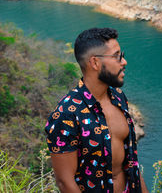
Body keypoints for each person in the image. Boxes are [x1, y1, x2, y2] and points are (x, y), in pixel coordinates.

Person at [45, 28, 149, 193]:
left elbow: (131, 163)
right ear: (95, 63)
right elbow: (65, 183)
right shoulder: (66, 114)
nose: (124, 62)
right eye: (117, 56)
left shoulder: (118, 98)